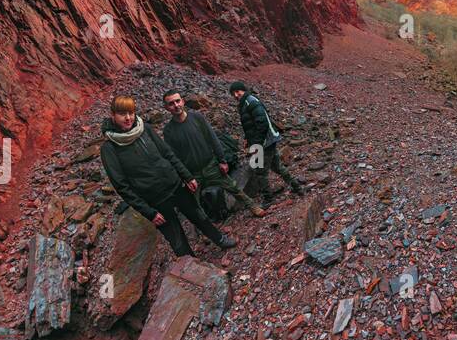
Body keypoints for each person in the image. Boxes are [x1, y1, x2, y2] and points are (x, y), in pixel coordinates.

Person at [99, 95, 235, 256]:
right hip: (155, 200)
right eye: (122, 114)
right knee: (175, 236)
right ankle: (189, 266)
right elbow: (122, 186)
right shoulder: (109, 148)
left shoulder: (145, 129)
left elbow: (167, 153)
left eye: (131, 112)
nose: (128, 118)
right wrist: (149, 212)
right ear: (112, 115)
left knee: (198, 215)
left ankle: (219, 239)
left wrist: (187, 176)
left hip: (175, 185)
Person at [161, 89, 265, 218]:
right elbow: (174, 158)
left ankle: (252, 206)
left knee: (233, 188)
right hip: (193, 174)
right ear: (167, 108)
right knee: (195, 204)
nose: (176, 105)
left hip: (211, 166)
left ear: (183, 101)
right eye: (171, 103)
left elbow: (212, 138)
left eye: (177, 101)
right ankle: (203, 231)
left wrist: (222, 160)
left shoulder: (197, 118)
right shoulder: (169, 131)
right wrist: (186, 178)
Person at [228, 81, 305, 199]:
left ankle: (268, 199)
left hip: (264, 141)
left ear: (243, 90)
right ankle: (297, 187)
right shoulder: (245, 104)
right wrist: (247, 140)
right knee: (277, 167)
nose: (236, 95)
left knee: (260, 172)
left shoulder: (251, 102)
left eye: (237, 92)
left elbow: (262, 123)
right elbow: (251, 126)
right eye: (233, 94)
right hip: (267, 140)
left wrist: (257, 144)